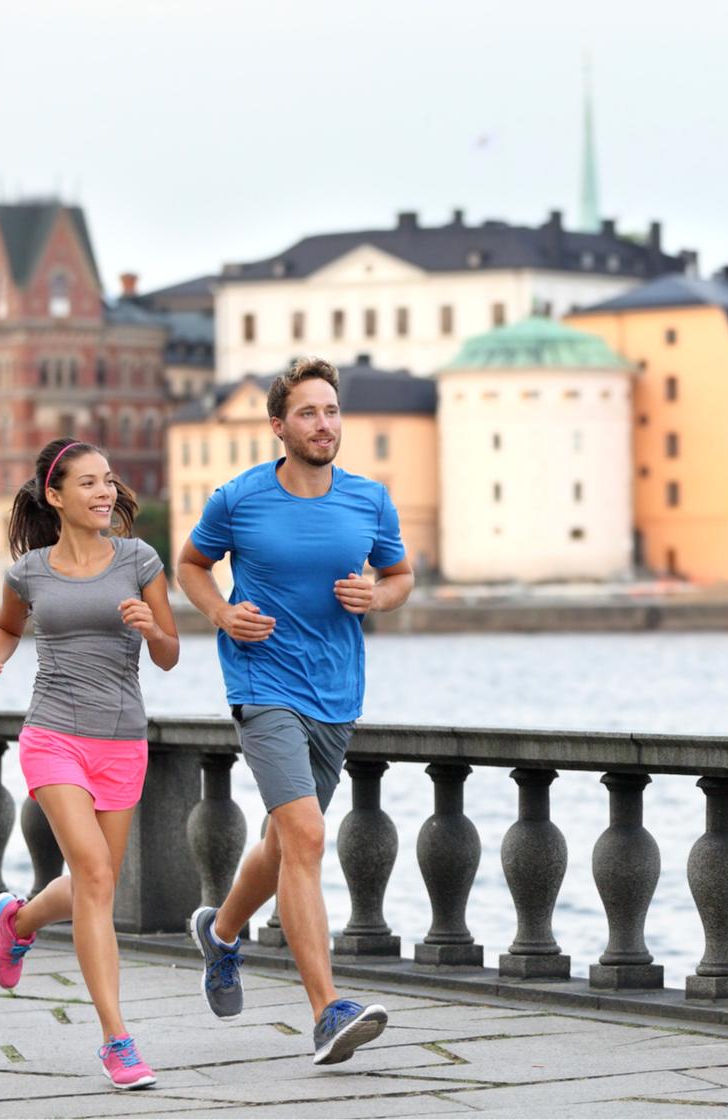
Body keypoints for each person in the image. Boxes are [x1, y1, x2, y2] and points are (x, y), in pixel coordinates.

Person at [175, 357, 414, 1066]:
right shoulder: (238, 498)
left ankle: (220, 935)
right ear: (279, 426)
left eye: (332, 411)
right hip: (263, 685)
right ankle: (326, 1011)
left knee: (284, 842)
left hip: (336, 692)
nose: (324, 424)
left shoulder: (369, 500)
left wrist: (379, 596)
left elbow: (401, 575)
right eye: (308, 413)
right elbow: (190, 564)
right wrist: (221, 611)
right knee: (306, 835)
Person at [0, 437, 179, 1090]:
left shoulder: (140, 559)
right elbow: (8, 627)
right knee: (92, 872)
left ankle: (19, 921)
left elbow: (171, 654)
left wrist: (151, 629)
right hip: (53, 735)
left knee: (98, 883)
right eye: (87, 483)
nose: (104, 492)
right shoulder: (29, 572)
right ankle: (117, 1039)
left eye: (109, 481)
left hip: (122, 741)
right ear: (55, 497)